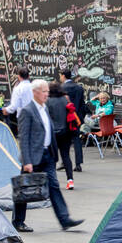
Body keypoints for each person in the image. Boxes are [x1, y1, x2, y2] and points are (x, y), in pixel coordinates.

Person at [12, 79, 82, 233]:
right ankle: (18, 221)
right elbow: (23, 138)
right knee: (23, 188)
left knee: (54, 186)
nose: (46, 94)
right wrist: (27, 161)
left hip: (47, 155)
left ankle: (65, 219)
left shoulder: (45, 108)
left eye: (47, 91)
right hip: (33, 157)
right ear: (35, 92)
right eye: (44, 91)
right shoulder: (27, 111)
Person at [47, 82, 77, 190]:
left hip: (53, 133)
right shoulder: (65, 99)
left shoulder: (48, 101)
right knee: (66, 156)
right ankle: (70, 180)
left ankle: (53, 181)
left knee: (52, 158)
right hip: (66, 132)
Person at [59, 68, 87, 172]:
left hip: (65, 118)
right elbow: (82, 104)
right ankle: (78, 163)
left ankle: (64, 161)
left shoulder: (61, 88)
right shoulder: (79, 87)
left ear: (63, 75)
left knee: (64, 141)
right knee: (76, 140)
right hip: (76, 117)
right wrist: (80, 117)